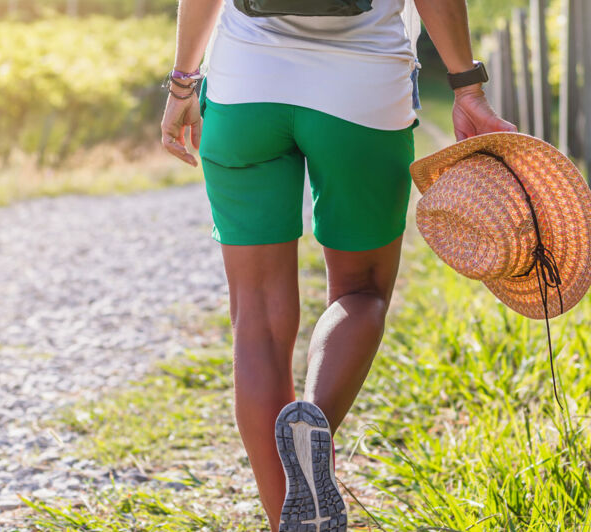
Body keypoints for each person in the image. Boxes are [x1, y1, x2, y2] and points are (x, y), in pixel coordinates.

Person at [160, 0, 516, 530]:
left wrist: (182, 86)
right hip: (363, 91)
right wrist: (467, 87)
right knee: (363, 289)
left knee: (255, 318)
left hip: (244, 88)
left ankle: (290, 521)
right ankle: (313, 427)